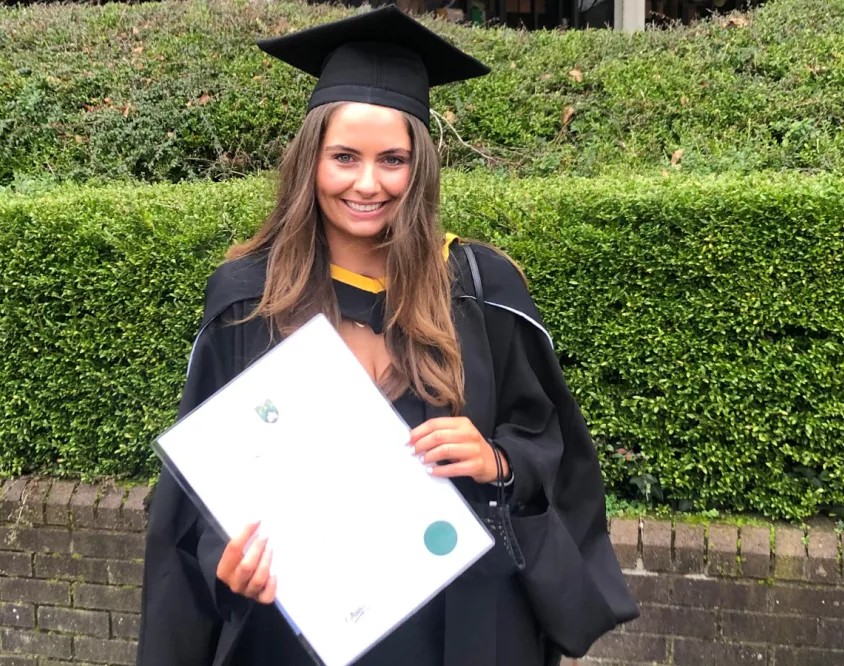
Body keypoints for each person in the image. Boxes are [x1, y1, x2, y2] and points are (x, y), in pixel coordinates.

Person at [136, 7, 639, 666]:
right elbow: (198, 501)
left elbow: (550, 446)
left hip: (463, 628)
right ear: (310, 160)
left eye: (392, 159)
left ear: (419, 167)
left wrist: (498, 462)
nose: (367, 183)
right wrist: (227, 568)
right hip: (298, 636)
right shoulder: (246, 301)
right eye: (344, 156)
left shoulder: (483, 289)